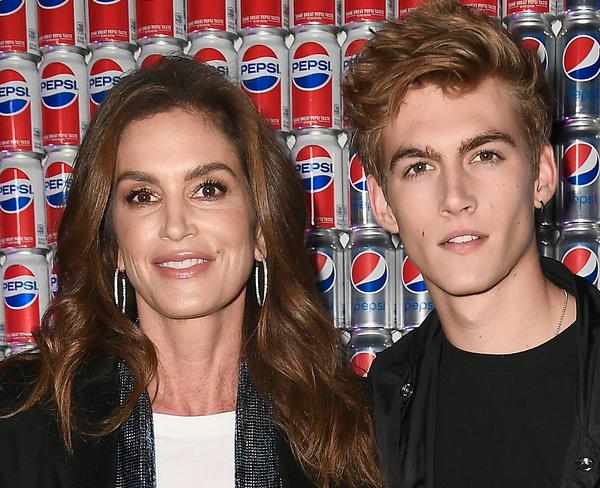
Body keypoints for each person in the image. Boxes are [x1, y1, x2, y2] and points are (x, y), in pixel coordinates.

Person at [0, 57, 383, 488]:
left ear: (261, 231)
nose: (176, 225)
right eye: (142, 196)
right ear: (115, 245)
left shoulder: (356, 432)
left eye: (208, 189)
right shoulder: (21, 418)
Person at [343, 2, 600, 487]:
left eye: (485, 155)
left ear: (542, 175)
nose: (455, 198)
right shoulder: (369, 419)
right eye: (418, 167)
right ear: (382, 202)